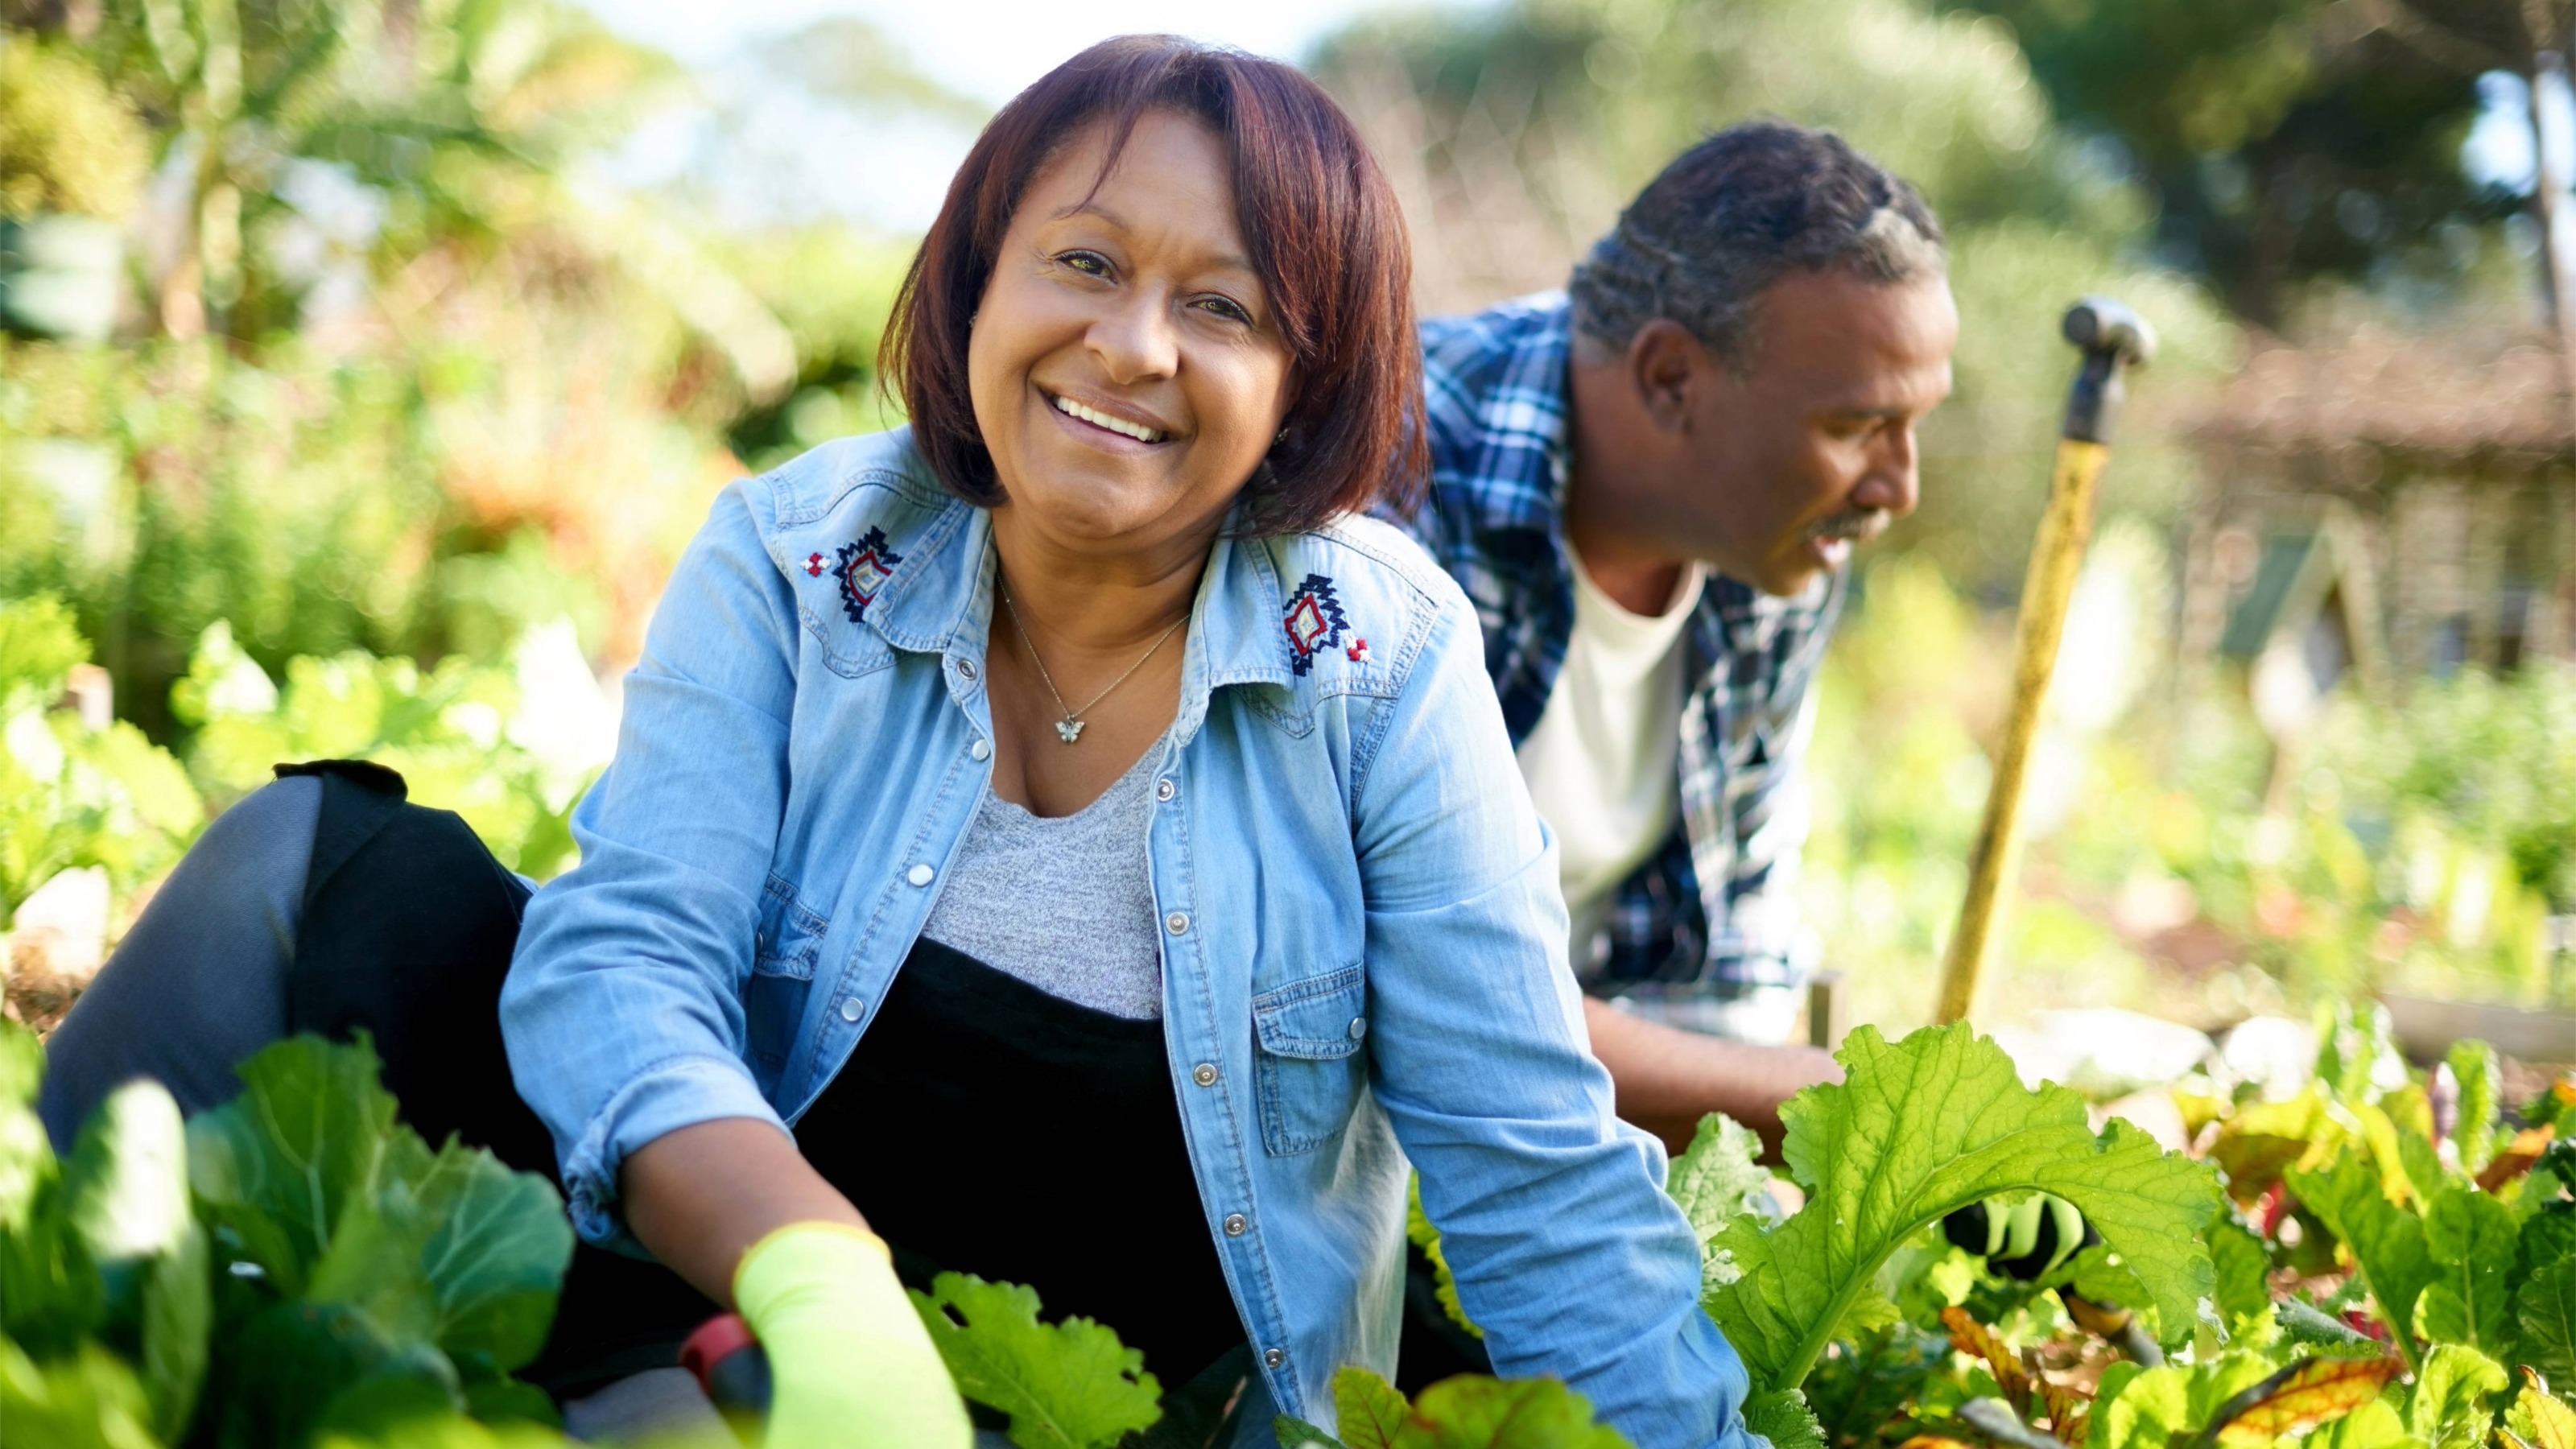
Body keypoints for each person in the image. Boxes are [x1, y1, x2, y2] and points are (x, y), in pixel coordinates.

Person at [42, 37, 1761, 1449]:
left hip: (1095, 1397)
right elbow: (630, 961)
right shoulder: (802, 559)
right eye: (1082, 263)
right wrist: (810, 1270)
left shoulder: (1376, 665)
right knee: (307, 866)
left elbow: (1530, 1166)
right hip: (739, 1273)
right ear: (978, 284)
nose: (1131, 346)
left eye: (1223, 308)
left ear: (1305, 387)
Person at [1396, 122, 1960, 1154]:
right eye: (1853, 428)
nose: (1898, 488)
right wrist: (1808, 1103)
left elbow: (1721, 963)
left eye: (1914, 424)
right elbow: (1401, 988)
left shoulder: (1771, 545)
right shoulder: (1396, 478)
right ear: (1667, 379)